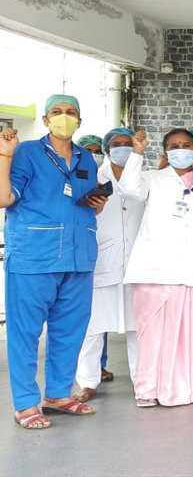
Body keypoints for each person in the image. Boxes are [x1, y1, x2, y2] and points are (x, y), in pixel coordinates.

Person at [0, 94, 107, 429]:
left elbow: (89, 204)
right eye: (57, 113)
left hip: (78, 257)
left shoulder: (87, 158)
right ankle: (25, 404)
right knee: (25, 333)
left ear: (80, 120)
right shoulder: (27, 152)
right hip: (34, 256)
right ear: (46, 120)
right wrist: (4, 155)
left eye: (70, 113)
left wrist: (97, 203)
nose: (64, 117)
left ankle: (59, 394)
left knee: (69, 331)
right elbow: (4, 198)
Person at [118, 129, 193, 407]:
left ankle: (186, 387)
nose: (181, 149)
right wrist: (137, 153)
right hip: (156, 271)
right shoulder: (152, 179)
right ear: (166, 152)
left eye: (187, 145)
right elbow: (128, 189)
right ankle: (148, 389)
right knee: (153, 334)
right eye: (175, 146)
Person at [73, 128, 144, 402]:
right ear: (106, 150)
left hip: (137, 264)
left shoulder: (142, 178)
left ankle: (142, 381)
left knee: (138, 328)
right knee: (92, 327)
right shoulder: (92, 178)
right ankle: (88, 383)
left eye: (128, 143)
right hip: (101, 261)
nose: (123, 148)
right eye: (117, 144)